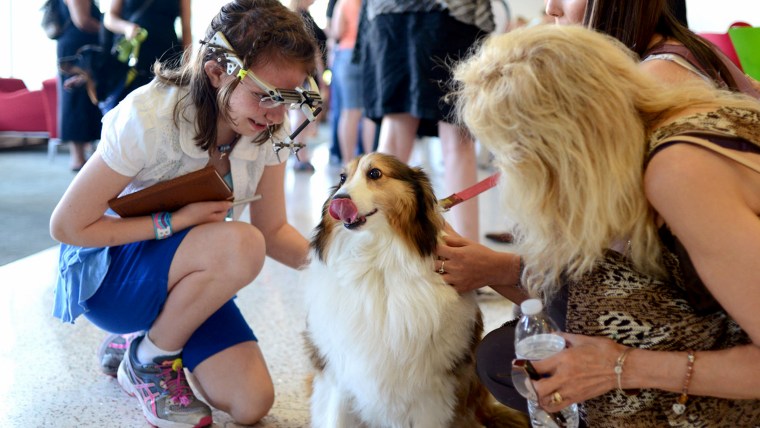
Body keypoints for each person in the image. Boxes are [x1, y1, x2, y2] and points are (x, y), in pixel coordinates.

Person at [453, 24, 760, 426]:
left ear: (563, 144)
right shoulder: (659, 121)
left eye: (515, 156)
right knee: (509, 354)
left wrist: (620, 367)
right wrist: (502, 269)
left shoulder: (680, 171)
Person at [49, 1, 318, 426]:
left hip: (184, 280)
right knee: (243, 243)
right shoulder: (149, 117)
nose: (277, 114)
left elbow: (275, 230)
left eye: (291, 98)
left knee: (252, 404)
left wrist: (344, 264)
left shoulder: (267, 128)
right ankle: (148, 359)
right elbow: (67, 226)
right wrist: (174, 221)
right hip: (111, 279)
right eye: (266, 95)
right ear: (216, 71)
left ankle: (146, 340)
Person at [440, 0, 760, 295]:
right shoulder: (675, 53)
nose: (551, 8)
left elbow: (600, 287)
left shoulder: (654, 86)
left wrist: (498, 269)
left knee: (507, 348)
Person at [359, 0, 494, 241]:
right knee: (457, 138)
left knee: (395, 133)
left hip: (391, 15)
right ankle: (467, 249)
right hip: (453, 13)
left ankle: (377, 249)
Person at [103, 0, 192, 109]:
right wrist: (126, 28)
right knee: (127, 107)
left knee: (163, 109)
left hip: (167, 61)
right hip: (133, 60)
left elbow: (186, 28)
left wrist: (187, 68)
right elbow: (109, 18)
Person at [55, 0, 102, 171]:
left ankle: (81, 156)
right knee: (77, 99)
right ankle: (78, 158)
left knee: (80, 98)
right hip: (78, 51)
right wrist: (110, 29)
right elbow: (83, 21)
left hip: (75, 47)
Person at [331, 0, 376, 165]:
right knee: (368, 114)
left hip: (346, 55)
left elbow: (337, 31)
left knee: (349, 113)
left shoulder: (344, 3)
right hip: (368, 55)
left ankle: (348, 162)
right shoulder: (370, 3)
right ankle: (369, 162)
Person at [287, 0, 327, 173]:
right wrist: (321, 73)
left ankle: (301, 155)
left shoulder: (302, 15)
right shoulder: (300, 17)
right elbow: (314, 50)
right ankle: (300, 156)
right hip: (305, 74)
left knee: (301, 116)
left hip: (305, 73)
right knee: (300, 116)